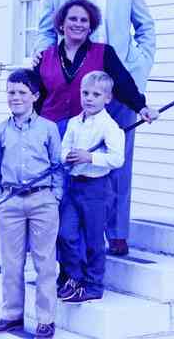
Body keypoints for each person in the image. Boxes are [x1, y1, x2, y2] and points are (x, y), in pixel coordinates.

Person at [34, 0, 156, 256]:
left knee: (119, 161)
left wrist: (139, 68)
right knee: (73, 160)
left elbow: (145, 28)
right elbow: (45, 32)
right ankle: (74, 237)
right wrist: (44, 59)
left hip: (120, 86)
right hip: (76, 89)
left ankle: (117, 232)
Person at [0, 69, 63, 338]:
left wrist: (55, 196)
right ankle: (11, 314)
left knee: (45, 262)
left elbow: (57, 165)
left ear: (35, 96)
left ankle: (45, 319)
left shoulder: (48, 128)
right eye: (11, 92)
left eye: (21, 92)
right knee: (11, 262)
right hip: (10, 202)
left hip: (43, 200)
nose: (15, 97)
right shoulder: (0, 131)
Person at [58, 71, 125, 303]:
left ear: (107, 98)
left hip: (97, 189)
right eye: (85, 93)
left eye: (96, 94)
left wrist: (90, 157)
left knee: (94, 239)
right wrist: (67, 156)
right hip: (74, 186)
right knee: (65, 234)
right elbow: (63, 149)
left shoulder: (110, 126)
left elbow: (117, 159)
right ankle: (74, 277)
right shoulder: (74, 122)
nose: (89, 98)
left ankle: (94, 285)